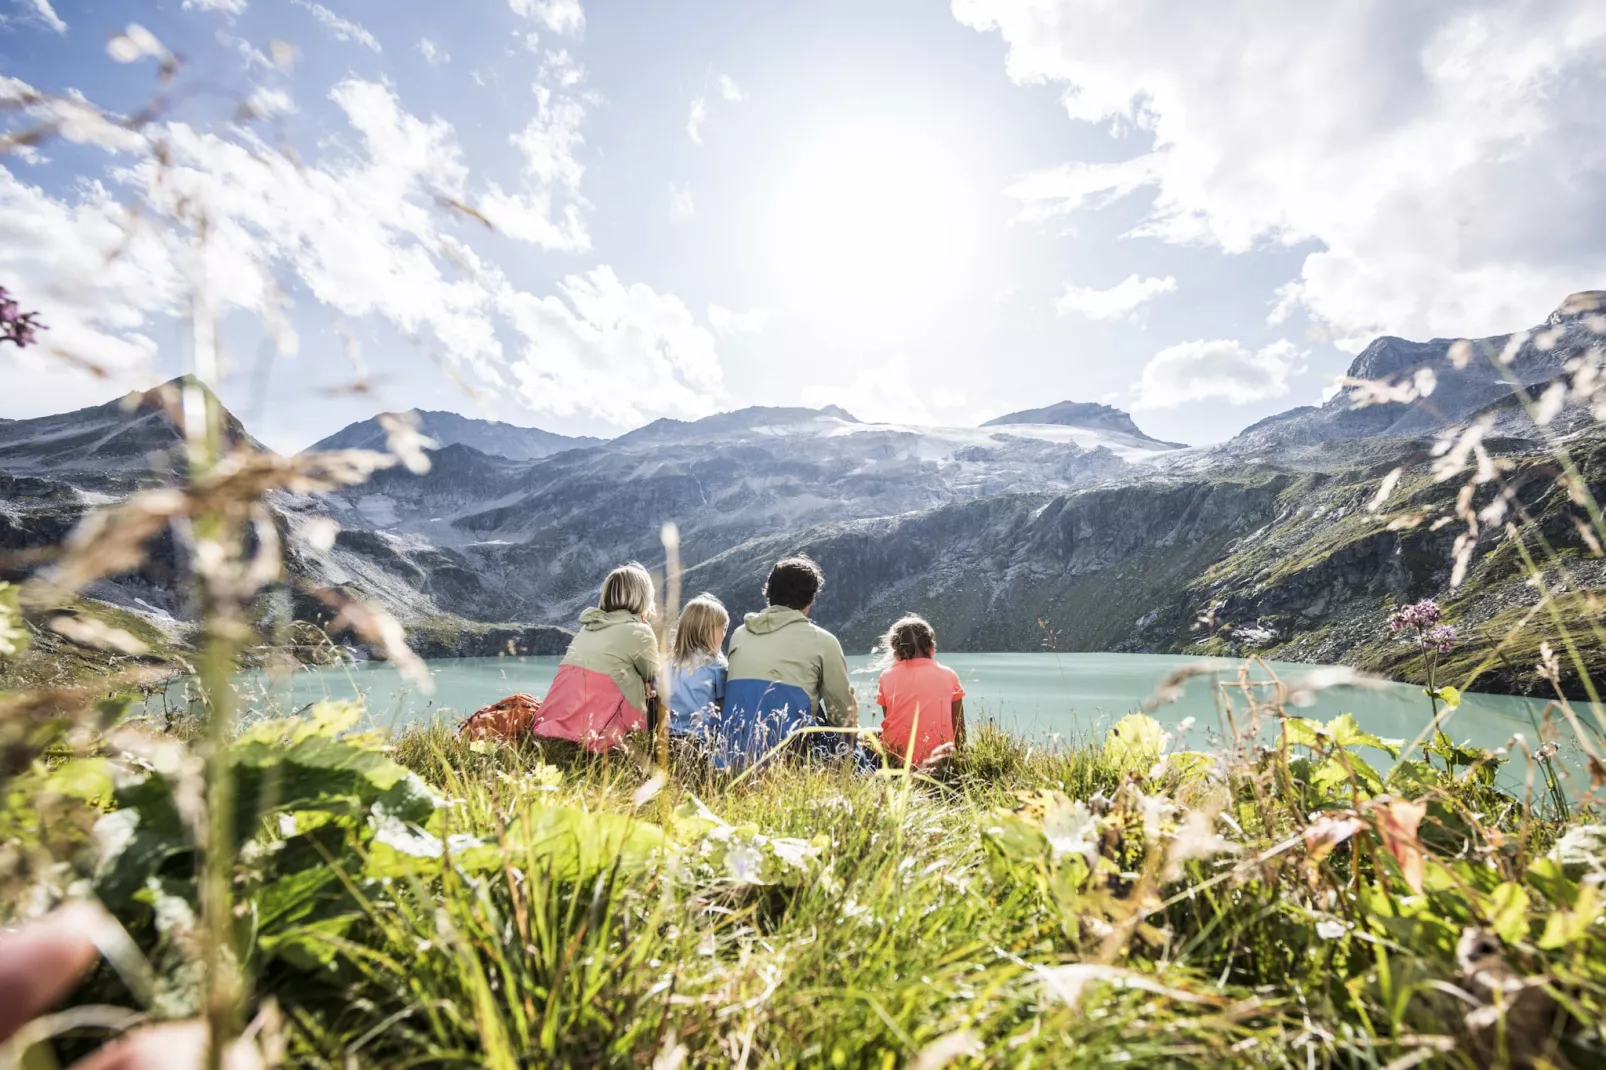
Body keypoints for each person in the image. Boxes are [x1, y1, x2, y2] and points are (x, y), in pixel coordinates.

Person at [718, 555, 856, 770]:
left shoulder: (739, 634)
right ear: (810, 600)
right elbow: (843, 714)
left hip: (732, 757)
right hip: (790, 759)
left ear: (769, 593)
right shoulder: (824, 641)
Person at [531, 563, 660, 752]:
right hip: (592, 731)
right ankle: (655, 746)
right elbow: (655, 676)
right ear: (643, 597)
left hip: (551, 721)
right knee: (656, 689)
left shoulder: (589, 627)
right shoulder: (639, 631)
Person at [872, 614, 966, 767]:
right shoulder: (949, 675)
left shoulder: (886, 677)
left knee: (868, 734)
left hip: (896, 761)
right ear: (932, 647)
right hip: (940, 763)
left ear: (895, 652)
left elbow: (890, 720)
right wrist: (958, 761)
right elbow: (960, 729)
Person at [666, 593, 729, 740]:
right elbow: (725, 708)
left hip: (670, 738)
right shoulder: (717, 667)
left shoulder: (668, 664)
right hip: (704, 739)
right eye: (723, 629)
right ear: (707, 631)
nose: (725, 635)